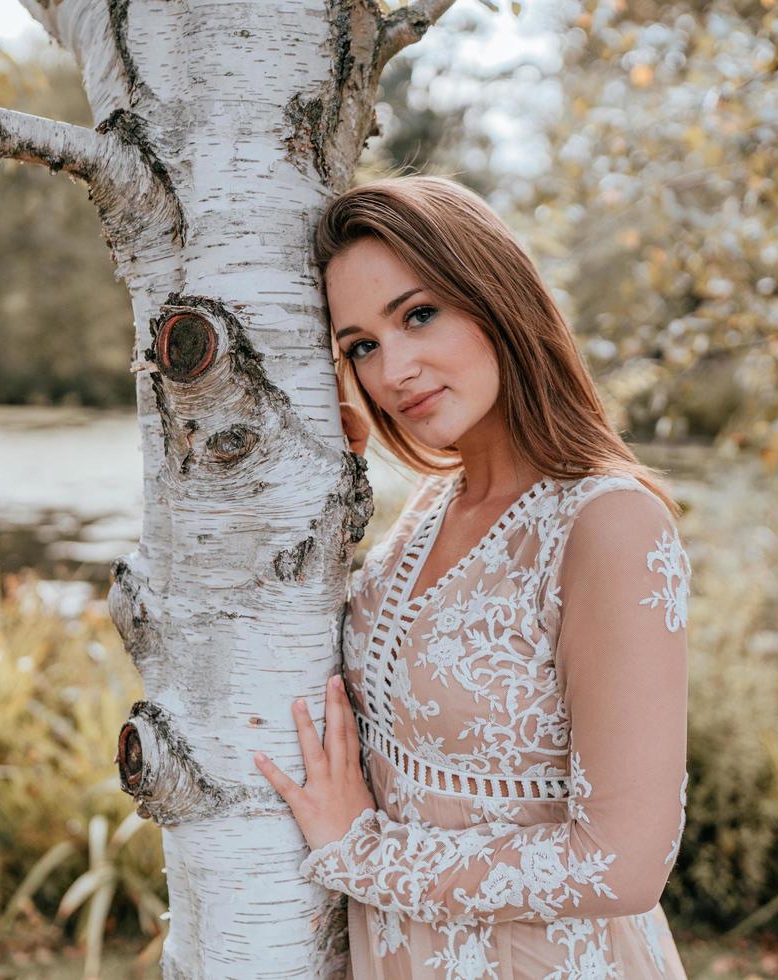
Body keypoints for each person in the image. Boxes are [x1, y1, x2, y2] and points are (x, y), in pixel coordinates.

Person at [253, 173, 692, 979]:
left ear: (495, 298)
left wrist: (364, 857)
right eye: (361, 347)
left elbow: (625, 864)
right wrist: (311, 462)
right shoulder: (425, 510)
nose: (395, 371)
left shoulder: (607, 523)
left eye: (418, 315)